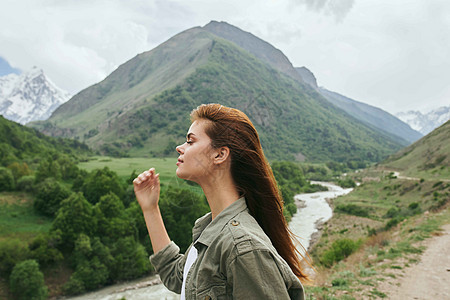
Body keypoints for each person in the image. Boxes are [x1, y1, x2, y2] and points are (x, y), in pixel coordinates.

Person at [133, 103, 307, 299]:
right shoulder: (211, 230)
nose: (179, 148)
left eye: (190, 142)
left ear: (220, 154)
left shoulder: (242, 246)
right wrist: (150, 208)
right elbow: (176, 276)